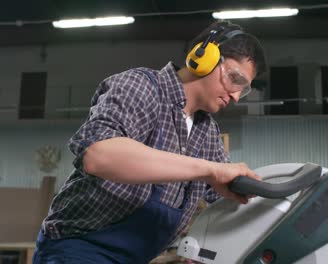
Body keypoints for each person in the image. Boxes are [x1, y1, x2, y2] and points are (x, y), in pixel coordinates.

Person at [33, 20, 267, 264]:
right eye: (235, 79)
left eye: (245, 89)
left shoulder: (206, 133)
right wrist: (210, 170)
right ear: (204, 56)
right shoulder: (142, 88)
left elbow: (227, 201)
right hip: (76, 250)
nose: (236, 96)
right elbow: (99, 155)